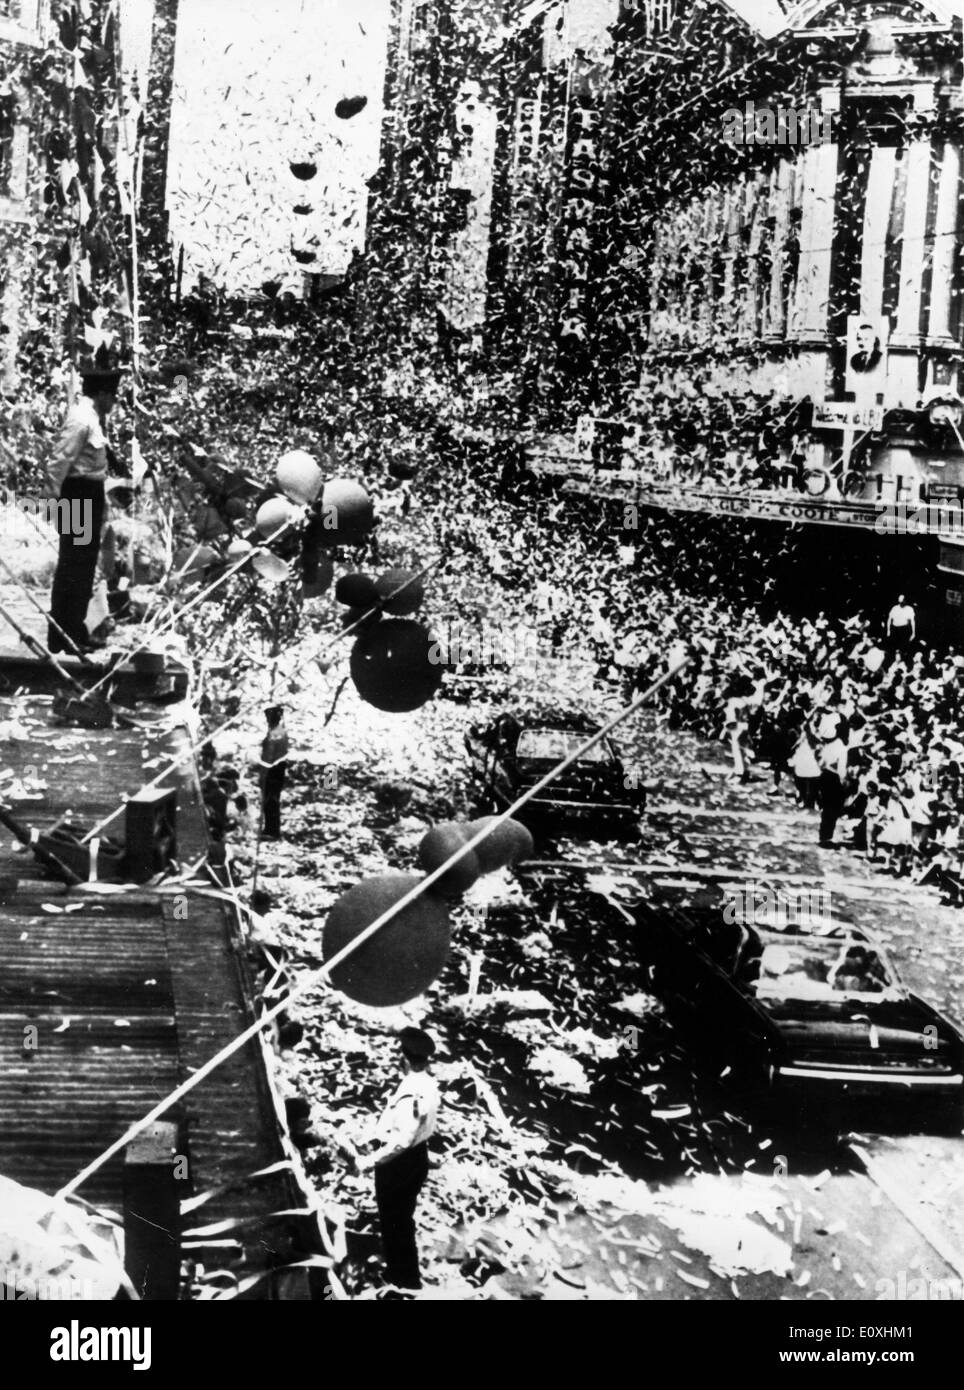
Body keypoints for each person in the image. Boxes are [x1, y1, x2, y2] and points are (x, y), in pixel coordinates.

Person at [351, 1028, 440, 1292]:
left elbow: (401, 1140)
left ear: (403, 1057)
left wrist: (369, 1161)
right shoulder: (427, 1084)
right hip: (415, 1157)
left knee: (395, 1221)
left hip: (400, 1164)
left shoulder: (410, 1092)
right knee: (400, 1219)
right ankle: (401, 1273)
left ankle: (403, 1280)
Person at [44, 360, 123, 653]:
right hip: (76, 497)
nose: (114, 402)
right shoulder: (81, 419)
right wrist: (51, 501)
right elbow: (58, 461)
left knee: (83, 565)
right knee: (73, 565)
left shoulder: (92, 418)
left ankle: (72, 630)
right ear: (102, 394)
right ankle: (63, 635)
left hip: (88, 495)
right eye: (112, 397)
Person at [258, 705, 289, 839]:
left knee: (270, 801)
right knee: (274, 800)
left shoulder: (273, 735)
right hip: (280, 768)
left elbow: (268, 758)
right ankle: (272, 829)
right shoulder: (282, 730)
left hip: (272, 770)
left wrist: (263, 775)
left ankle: (271, 830)